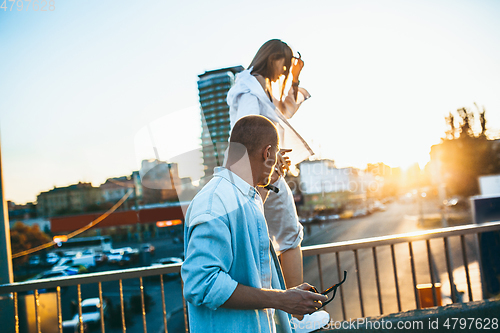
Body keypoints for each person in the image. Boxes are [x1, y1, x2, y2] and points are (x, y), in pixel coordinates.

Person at [181, 115, 327, 333]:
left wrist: (286, 296)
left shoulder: (244, 197)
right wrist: (281, 299)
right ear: (267, 153)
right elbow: (202, 284)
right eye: (275, 154)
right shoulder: (215, 203)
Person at [227, 40, 328, 329]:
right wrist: (269, 157)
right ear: (271, 59)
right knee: (288, 237)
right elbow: (246, 126)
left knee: (265, 243)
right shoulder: (249, 89)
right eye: (282, 64)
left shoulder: (257, 87)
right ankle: (297, 318)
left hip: (258, 171)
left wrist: (295, 77)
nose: (283, 70)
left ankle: (285, 321)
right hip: (267, 172)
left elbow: (286, 109)